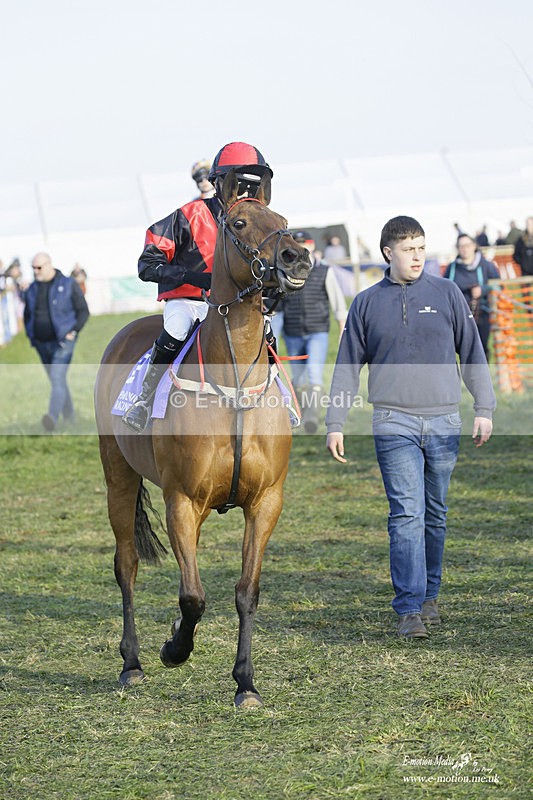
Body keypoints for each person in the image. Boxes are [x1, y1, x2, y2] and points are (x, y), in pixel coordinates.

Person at [325, 216, 495, 639]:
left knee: (435, 514)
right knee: (406, 514)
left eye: (421, 248)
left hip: (443, 419)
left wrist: (485, 407)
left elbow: (472, 352)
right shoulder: (366, 303)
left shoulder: (447, 292)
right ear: (388, 253)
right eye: (408, 249)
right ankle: (409, 609)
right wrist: (336, 421)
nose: (417, 256)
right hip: (391, 420)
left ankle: (430, 596)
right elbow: (347, 366)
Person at [122, 142, 274, 433]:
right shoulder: (188, 215)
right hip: (190, 303)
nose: (244, 192)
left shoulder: (258, 221)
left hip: (238, 304)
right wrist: (193, 277)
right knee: (177, 330)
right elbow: (147, 264)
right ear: (220, 184)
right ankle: (143, 400)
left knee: (266, 334)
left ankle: (283, 402)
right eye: (238, 184)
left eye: (251, 185)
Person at [281, 230, 347, 432]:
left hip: (317, 330)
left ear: (312, 246)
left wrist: (342, 330)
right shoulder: (284, 272)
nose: (302, 247)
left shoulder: (324, 271)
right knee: (298, 379)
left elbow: (338, 304)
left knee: (314, 373)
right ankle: (304, 409)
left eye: (305, 243)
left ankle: (311, 417)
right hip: (292, 332)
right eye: (297, 243)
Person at [24, 252, 90, 431]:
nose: (36, 271)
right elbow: (27, 314)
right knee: (57, 382)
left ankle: (51, 418)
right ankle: (70, 418)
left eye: (39, 267)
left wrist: (74, 331)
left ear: (49, 264)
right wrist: (32, 336)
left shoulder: (68, 284)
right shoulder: (32, 289)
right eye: (33, 268)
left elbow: (83, 311)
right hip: (41, 343)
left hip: (63, 342)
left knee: (57, 377)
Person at [443, 233, 500, 360]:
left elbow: (499, 285)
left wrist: (483, 289)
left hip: (483, 313)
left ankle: (484, 373)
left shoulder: (486, 265)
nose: (465, 249)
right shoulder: (452, 268)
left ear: (474, 246)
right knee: (465, 348)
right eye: (461, 246)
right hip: (460, 315)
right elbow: (443, 289)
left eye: (467, 245)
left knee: (482, 345)